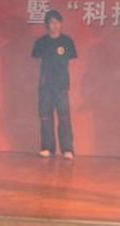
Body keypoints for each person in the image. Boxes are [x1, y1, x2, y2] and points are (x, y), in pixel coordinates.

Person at [31, 9, 77, 160]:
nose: (55, 25)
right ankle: (47, 148)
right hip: (45, 85)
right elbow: (37, 61)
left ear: (61, 24)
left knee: (64, 117)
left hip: (62, 85)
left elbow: (71, 61)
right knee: (45, 117)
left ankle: (67, 149)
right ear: (47, 25)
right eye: (52, 23)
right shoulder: (41, 42)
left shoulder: (67, 41)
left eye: (58, 22)